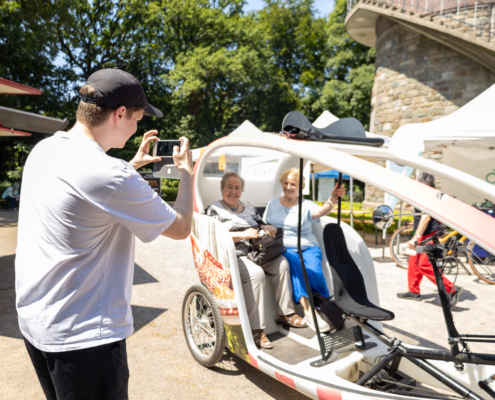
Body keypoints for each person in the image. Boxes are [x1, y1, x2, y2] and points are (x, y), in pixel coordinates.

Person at [15, 68, 194, 400]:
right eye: (138, 118)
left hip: (39, 324)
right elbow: (182, 227)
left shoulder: (46, 150)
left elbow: (85, 189)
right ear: (120, 113)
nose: (138, 127)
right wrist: (187, 172)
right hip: (84, 339)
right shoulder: (109, 174)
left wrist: (132, 165)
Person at [206, 172, 305, 349]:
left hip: (257, 252)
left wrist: (266, 227)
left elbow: (260, 224)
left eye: (237, 188)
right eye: (229, 187)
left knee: (282, 264)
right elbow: (215, 236)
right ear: (222, 189)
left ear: (241, 190)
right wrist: (242, 234)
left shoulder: (249, 207)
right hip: (234, 254)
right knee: (256, 274)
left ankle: (285, 314)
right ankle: (255, 329)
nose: (233, 191)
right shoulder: (214, 209)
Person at [264, 168, 345, 332]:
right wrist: (266, 227)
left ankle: (325, 309)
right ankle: (309, 313)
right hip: (283, 247)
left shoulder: (306, 205)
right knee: (293, 263)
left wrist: (332, 200)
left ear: (300, 187)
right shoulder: (272, 204)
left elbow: (319, 213)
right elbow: (263, 223)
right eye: (286, 183)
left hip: (308, 246)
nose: (288, 187)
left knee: (315, 273)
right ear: (281, 184)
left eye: (293, 184)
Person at [397, 172, 463, 308]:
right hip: (422, 233)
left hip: (429, 234)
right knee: (413, 262)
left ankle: (452, 289)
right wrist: (408, 189)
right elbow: (406, 206)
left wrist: (416, 237)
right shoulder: (421, 192)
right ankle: (413, 291)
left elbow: (426, 217)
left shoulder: (430, 194)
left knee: (424, 264)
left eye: (415, 177)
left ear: (421, 179)